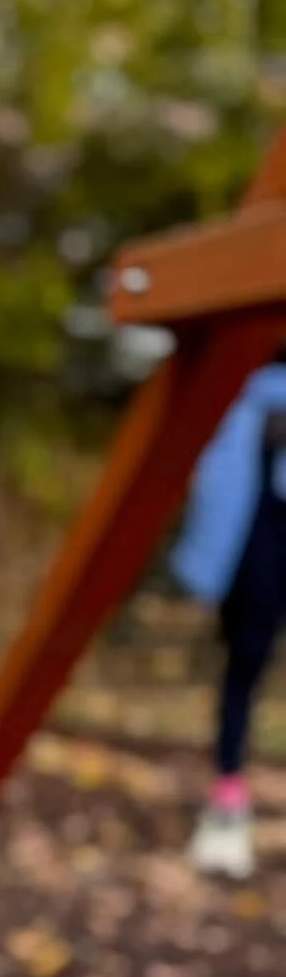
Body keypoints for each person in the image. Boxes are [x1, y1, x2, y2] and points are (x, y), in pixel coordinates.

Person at [171, 354, 286, 880]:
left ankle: (229, 793)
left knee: (243, 673)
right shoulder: (247, 404)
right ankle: (228, 797)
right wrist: (207, 571)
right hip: (251, 565)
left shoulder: (247, 402)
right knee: (242, 671)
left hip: (253, 562)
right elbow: (218, 492)